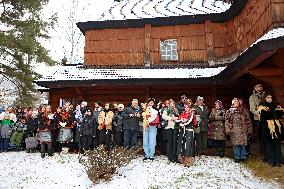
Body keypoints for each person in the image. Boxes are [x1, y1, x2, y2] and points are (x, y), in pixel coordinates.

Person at [258, 94, 284, 167]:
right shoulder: (261, 107)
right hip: (267, 128)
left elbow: (279, 114)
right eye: (268, 97)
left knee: (277, 144)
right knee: (269, 145)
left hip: (276, 128)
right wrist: (274, 113)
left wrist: (272, 113)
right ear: (265, 98)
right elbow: (265, 116)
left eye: (271, 97)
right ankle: (271, 160)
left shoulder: (276, 106)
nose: (270, 99)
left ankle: (278, 160)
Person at [225, 98, 252, 163]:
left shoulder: (243, 110)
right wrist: (228, 129)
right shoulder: (229, 111)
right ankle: (237, 157)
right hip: (234, 130)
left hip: (243, 129)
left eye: (236, 102)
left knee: (243, 144)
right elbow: (227, 121)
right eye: (234, 102)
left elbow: (248, 120)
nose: (235, 103)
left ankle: (243, 156)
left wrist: (249, 129)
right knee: (236, 144)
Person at [176, 100, 199, 166]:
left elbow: (189, 122)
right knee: (182, 145)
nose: (185, 108)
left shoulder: (192, 114)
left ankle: (188, 161)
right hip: (182, 131)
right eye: (184, 107)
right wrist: (181, 121)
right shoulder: (182, 114)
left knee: (188, 145)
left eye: (187, 107)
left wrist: (182, 123)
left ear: (189, 108)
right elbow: (178, 121)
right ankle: (183, 160)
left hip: (189, 131)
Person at [249, 84, 266, 157]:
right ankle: (263, 153)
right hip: (258, 118)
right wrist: (259, 114)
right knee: (261, 136)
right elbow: (252, 109)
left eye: (261, 86)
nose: (260, 87)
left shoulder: (266, 95)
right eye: (258, 86)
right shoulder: (252, 97)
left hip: (268, 118)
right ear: (255, 88)